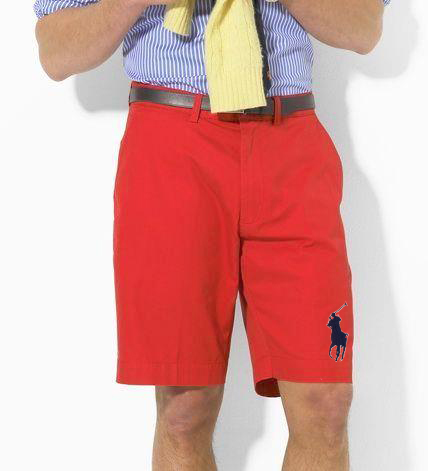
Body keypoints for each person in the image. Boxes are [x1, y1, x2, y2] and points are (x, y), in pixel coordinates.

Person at [34, 0, 390, 469]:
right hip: (172, 141)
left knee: (325, 403)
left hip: (290, 139)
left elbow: (365, 28)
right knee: (185, 410)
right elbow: (56, 52)